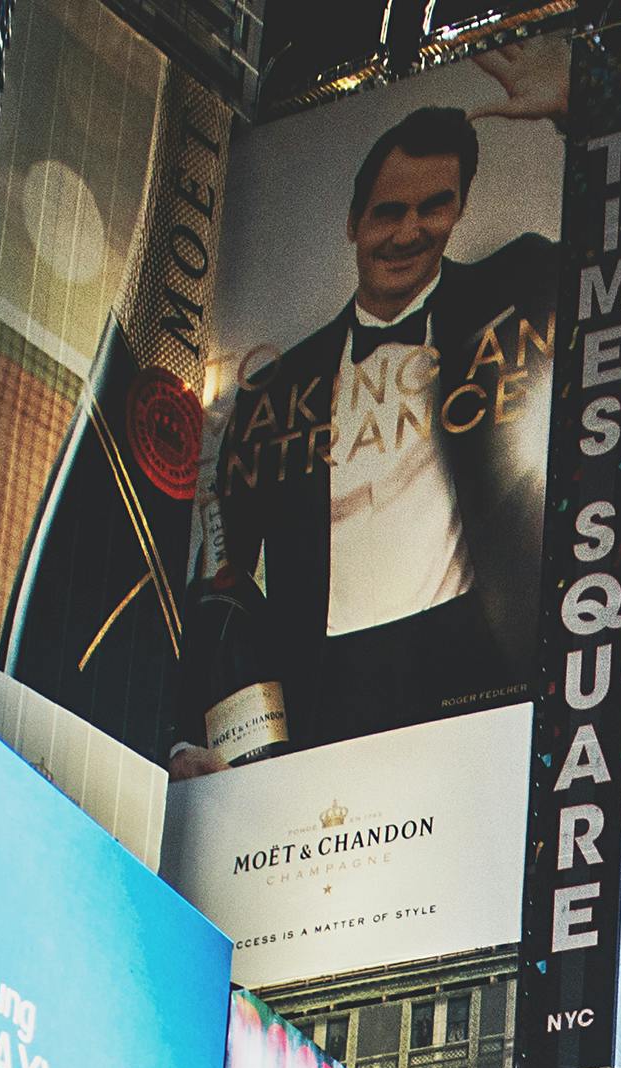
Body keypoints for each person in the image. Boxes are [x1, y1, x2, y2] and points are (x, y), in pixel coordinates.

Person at [184, 51, 566, 772]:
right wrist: (228, 753)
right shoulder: (273, 394)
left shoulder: (514, 289)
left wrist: (579, 104)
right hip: (327, 691)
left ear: (460, 207)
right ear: (354, 222)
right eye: (389, 211)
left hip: (478, 671)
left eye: (435, 206)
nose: (410, 231)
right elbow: (225, 593)